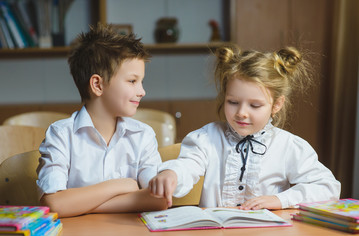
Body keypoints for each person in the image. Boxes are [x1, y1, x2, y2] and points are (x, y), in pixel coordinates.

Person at [149, 44, 341, 210]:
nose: (241, 112)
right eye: (233, 102)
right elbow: (188, 165)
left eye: (255, 105)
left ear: (276, 105)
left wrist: (280, 199)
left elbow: (327, 187)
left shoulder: (288, 146)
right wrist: (172, 173)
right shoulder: (206, 138)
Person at [36, 23, 167, 217]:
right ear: (97, 84)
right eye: (132, 81)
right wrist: (121, 185)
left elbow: (158, 199)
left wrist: (79, 206)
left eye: (141, 81)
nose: (142, 91)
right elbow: (53, 204)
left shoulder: (143, 135)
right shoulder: (61, 135)